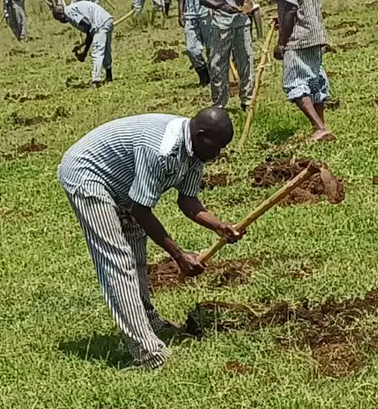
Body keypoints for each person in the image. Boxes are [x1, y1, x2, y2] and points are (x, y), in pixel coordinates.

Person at [57, 109, 242, 371]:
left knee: (136, 250)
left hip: (124, 185)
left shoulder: (195, 152)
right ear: (201, 136)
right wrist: (178, 255)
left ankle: (149, 320)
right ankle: (148, 353)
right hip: (88, 174)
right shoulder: (161, 150)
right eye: (218, 147)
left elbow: (187, 201)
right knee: (118, 260)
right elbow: (140, 209)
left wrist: (220, 226)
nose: (219, 154)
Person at [273, 0, 334, 144]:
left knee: (295, 83)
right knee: (315, 82)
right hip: (316, 33)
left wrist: (282, 42)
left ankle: (318, 126)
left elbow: (291, 8)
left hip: (299, 36)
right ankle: (321, 126)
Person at [198, 0, 258, 110]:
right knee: (217, 65)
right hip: (220, 23)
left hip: (241, 21)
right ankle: (219, 104)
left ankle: (246, 100)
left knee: (246, 61)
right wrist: (220, 6)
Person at [53, 0, 114, 86]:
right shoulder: (73, 8)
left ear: (60, 14)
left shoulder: (68, 12)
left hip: (99, 23)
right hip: (107, 19)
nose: (61, 22)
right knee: (106, 50)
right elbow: (90, 32)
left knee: (97, 51)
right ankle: (109, 76)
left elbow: (88, 25)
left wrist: (84, 52)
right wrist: (84, 52)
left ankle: (96, 80)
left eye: (59, 19)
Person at [176, 0, 210, 86]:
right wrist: (180, 12)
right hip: (190, 14)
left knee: (212, 49)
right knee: (191, 49)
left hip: (207, 13)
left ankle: (216, 77)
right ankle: (203, 75)